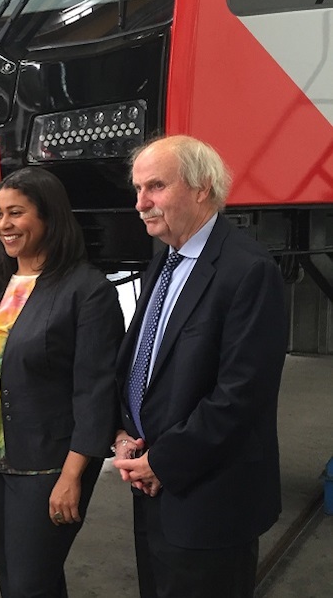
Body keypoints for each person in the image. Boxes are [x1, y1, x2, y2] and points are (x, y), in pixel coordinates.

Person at [112, 135, 287, 598]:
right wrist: (125, 430)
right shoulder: (163, 263)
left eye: (155, 187)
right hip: (152, 485)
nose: (141, 203)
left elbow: (240, 395)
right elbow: (146, 362)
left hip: (209, 497)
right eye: (137, 189)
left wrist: (162, 463)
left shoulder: (248, 270)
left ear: (202, 187)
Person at [0, 167, 124, 598]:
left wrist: (73, 475)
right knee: (18, 579)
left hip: (48, 465)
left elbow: (96, 390)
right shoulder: (0, 285)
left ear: (49, 218)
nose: (4, 224)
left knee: (27, 585)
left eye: (16, 213)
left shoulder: (87, 290)